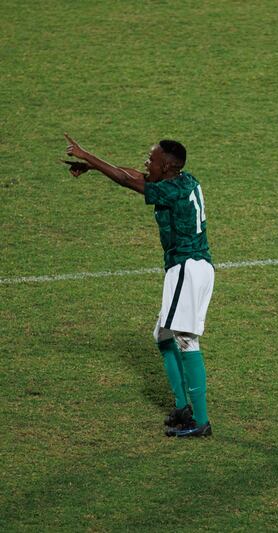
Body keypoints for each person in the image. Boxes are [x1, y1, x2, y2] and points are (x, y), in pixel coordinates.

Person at [64, 134, 214, 437]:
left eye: (153, 158)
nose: (147, 160)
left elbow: (124, 179)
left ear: (168, 166)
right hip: (186, 267)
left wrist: (87, 155)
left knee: (186, 339)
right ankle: (183, 406)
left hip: (188, 266)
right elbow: (135, 176)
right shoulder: (181, 181)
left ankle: (200, 421)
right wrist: (95, 168)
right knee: (162, 335)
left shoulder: (171, 190)